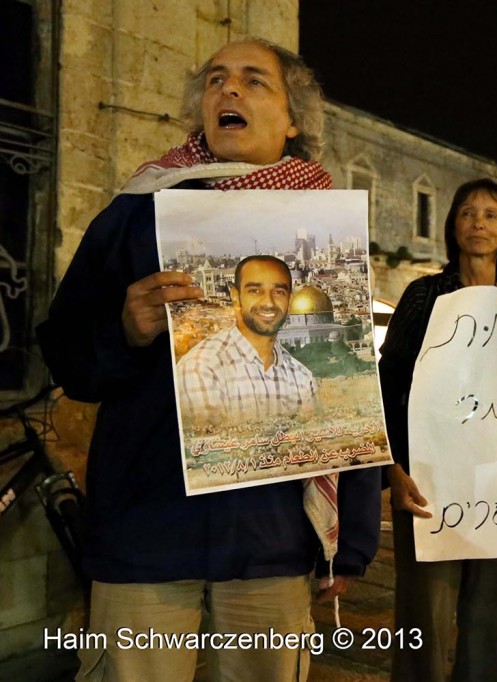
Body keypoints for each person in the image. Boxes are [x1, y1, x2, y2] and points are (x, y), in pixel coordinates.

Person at [37, 39, 380, 682]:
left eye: (255, 81)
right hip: (146, 535)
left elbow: (349, 394)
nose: (230, 90)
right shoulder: (136, 212)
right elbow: (65, 352)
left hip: (271, 544)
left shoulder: (323, 226)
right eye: (217, 80)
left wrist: (349, 541)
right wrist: (124, 332)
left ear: (292, 120)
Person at [378, 178, 497, 682]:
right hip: (430, 474)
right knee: (424, 611)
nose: (479, 223)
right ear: (453, 227)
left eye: (491, 214)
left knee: (496, 611)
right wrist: (393, 469)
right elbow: (389, 381)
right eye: (468, 213)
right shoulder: (423, 294)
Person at [177, 255, 317, 425]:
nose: (268, 302)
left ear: (289, 300)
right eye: (255, 291)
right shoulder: (202, 368)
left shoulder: (302, 377)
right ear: (235, 296)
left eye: (279, 292)